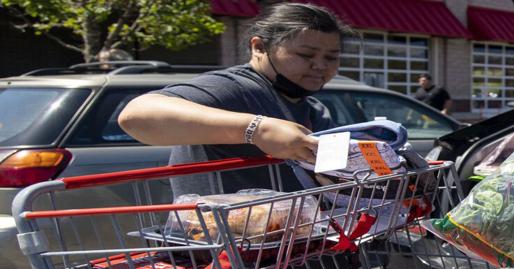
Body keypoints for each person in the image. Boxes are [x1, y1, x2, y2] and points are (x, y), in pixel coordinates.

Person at [117, 3, 349, 197]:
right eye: (305, 55)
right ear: (259, 47)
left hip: (294, 244)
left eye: (332, 57)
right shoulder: (234, 87)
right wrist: (257, 129)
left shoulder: (314, 109)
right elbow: (137, 115)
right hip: (225, 245)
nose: (320, 65)